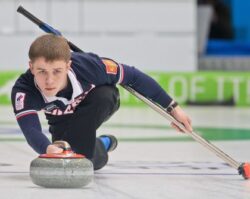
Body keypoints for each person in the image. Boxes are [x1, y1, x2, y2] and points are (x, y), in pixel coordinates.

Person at [11, 34, 193, 170]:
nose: (49, 81)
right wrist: (47, 148)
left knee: (104, 95)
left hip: (97, 104)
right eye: (42, 71)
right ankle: (104, 143)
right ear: (31, 67)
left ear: (69, 65)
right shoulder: (23, 91)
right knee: (82, 160)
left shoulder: (90, 66)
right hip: (61, 120)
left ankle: (85, 147)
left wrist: (173, 108)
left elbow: (134, 77)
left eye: (57, 71)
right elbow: (31, 129)